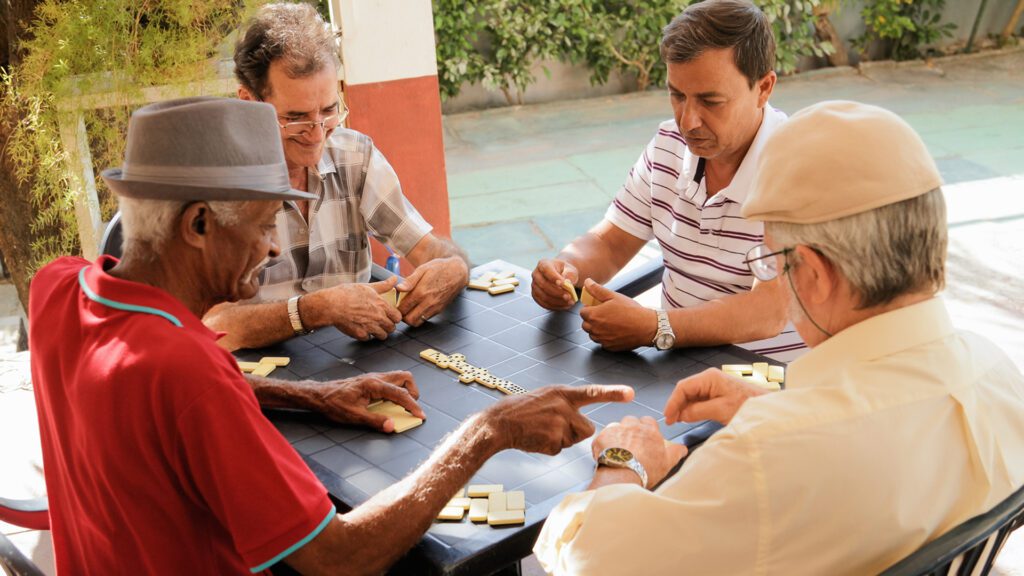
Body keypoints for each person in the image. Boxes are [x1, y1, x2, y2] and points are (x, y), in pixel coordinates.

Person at [29, 97, 633, 574]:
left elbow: (161, 408)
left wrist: (310, 395)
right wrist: (489, 430)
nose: (270, 247)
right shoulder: (186, 372)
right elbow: (339, 559)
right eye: (265, 226)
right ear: (199, 223)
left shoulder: (57, 289)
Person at [532, 100, 1024, 575]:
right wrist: (781, 406)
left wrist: (624, 463)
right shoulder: (998, 374)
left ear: (813, 272)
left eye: (774, 260)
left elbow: (588, 559)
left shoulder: (767, 458)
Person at [531, 0, 805, 361]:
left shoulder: (799, 167)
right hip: (676, 364)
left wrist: (657, 327)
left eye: (711, 101)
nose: (688, 120)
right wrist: (567, 268)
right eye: (677, 95)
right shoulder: (669, 145)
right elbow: (611, 242)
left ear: (765, 87)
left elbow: (770, 309)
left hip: (765, 381)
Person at [205, 3, 469, 350]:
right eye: (296, 117)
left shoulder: (354, 157)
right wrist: (317, 310)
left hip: (352, 364)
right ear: (248, 102)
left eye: (329, 111)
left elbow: (432, 249)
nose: (317, 134)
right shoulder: (215, 187)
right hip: (257, 380)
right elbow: (212, 325)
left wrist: (454, 268)